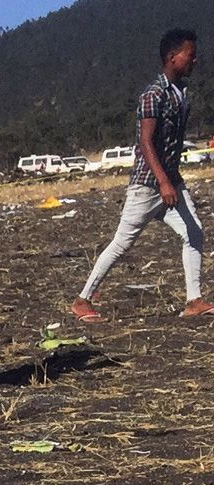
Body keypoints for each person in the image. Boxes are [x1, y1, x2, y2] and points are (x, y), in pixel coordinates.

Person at [73, 29, 208, 321]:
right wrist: (162, 181)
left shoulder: (181, 92)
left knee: (193, 232)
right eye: (190, 54)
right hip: (148, 184)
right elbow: (145, 142)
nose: (195, 60)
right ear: (172, 57)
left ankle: (194, 300)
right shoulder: (153, 94)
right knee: (122, 243)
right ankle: (82, 300)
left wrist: (171, 180)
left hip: (170, 181)